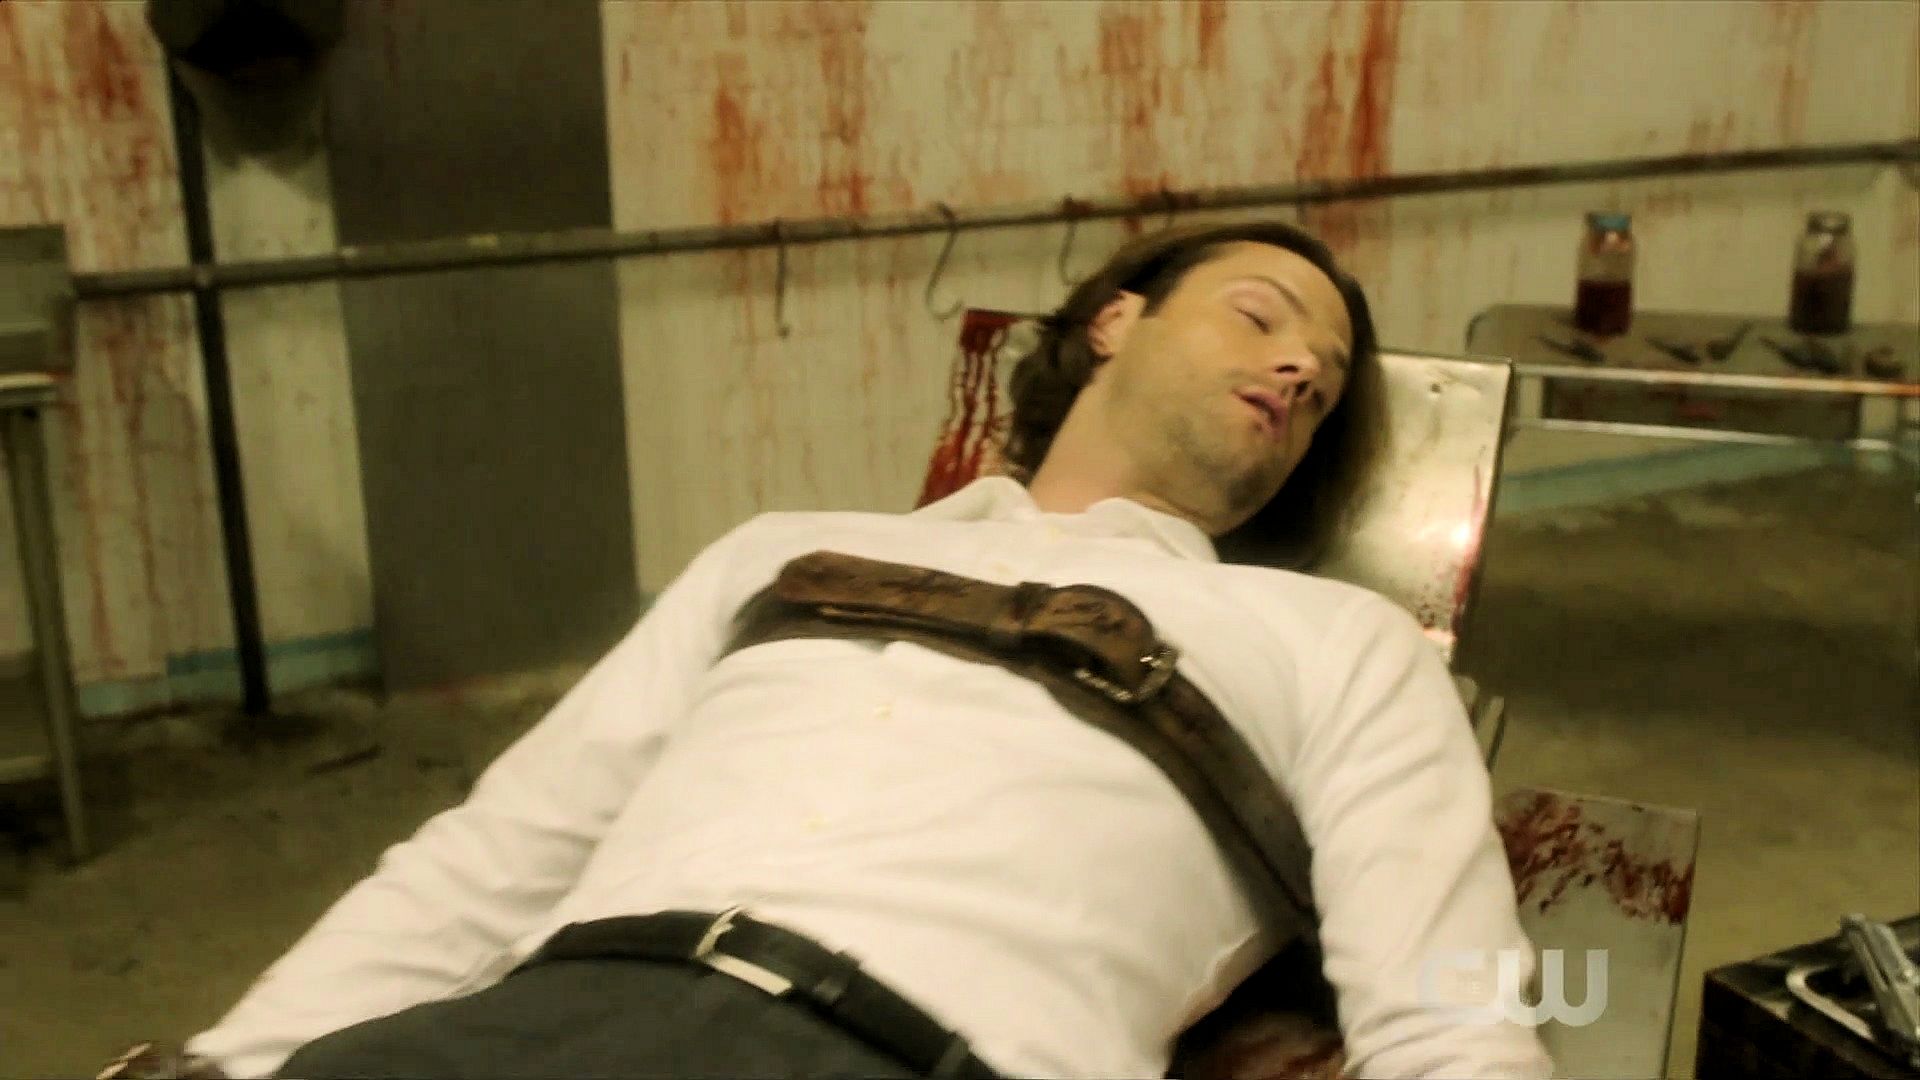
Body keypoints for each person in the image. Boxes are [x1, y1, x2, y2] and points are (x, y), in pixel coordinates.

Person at [160, 221, 1552, 1078]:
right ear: (1115, 322)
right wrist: (226, 1065)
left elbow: (1452, 1007)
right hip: (532, 1028)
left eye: (1326, 381)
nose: (1301, 367)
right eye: (1260, 314)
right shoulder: (781, 549)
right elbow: (496, 858)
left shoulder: (1335, 638)